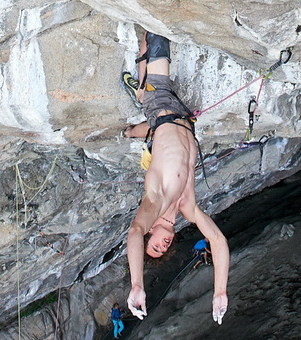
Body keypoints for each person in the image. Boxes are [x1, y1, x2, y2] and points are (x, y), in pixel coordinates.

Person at [121, 31, 230, 325]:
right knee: (147, 107)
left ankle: (138, 92)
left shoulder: (154, 201)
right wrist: (220, 292)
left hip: (161, 108)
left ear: (150, 232)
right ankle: (133, 121)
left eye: (155, 245)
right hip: (183, 118)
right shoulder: (187, 206)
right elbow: (217, 240)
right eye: (164, 249)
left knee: (157, 38)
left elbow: (133, 233)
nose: (163, 245)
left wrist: (137, 285)